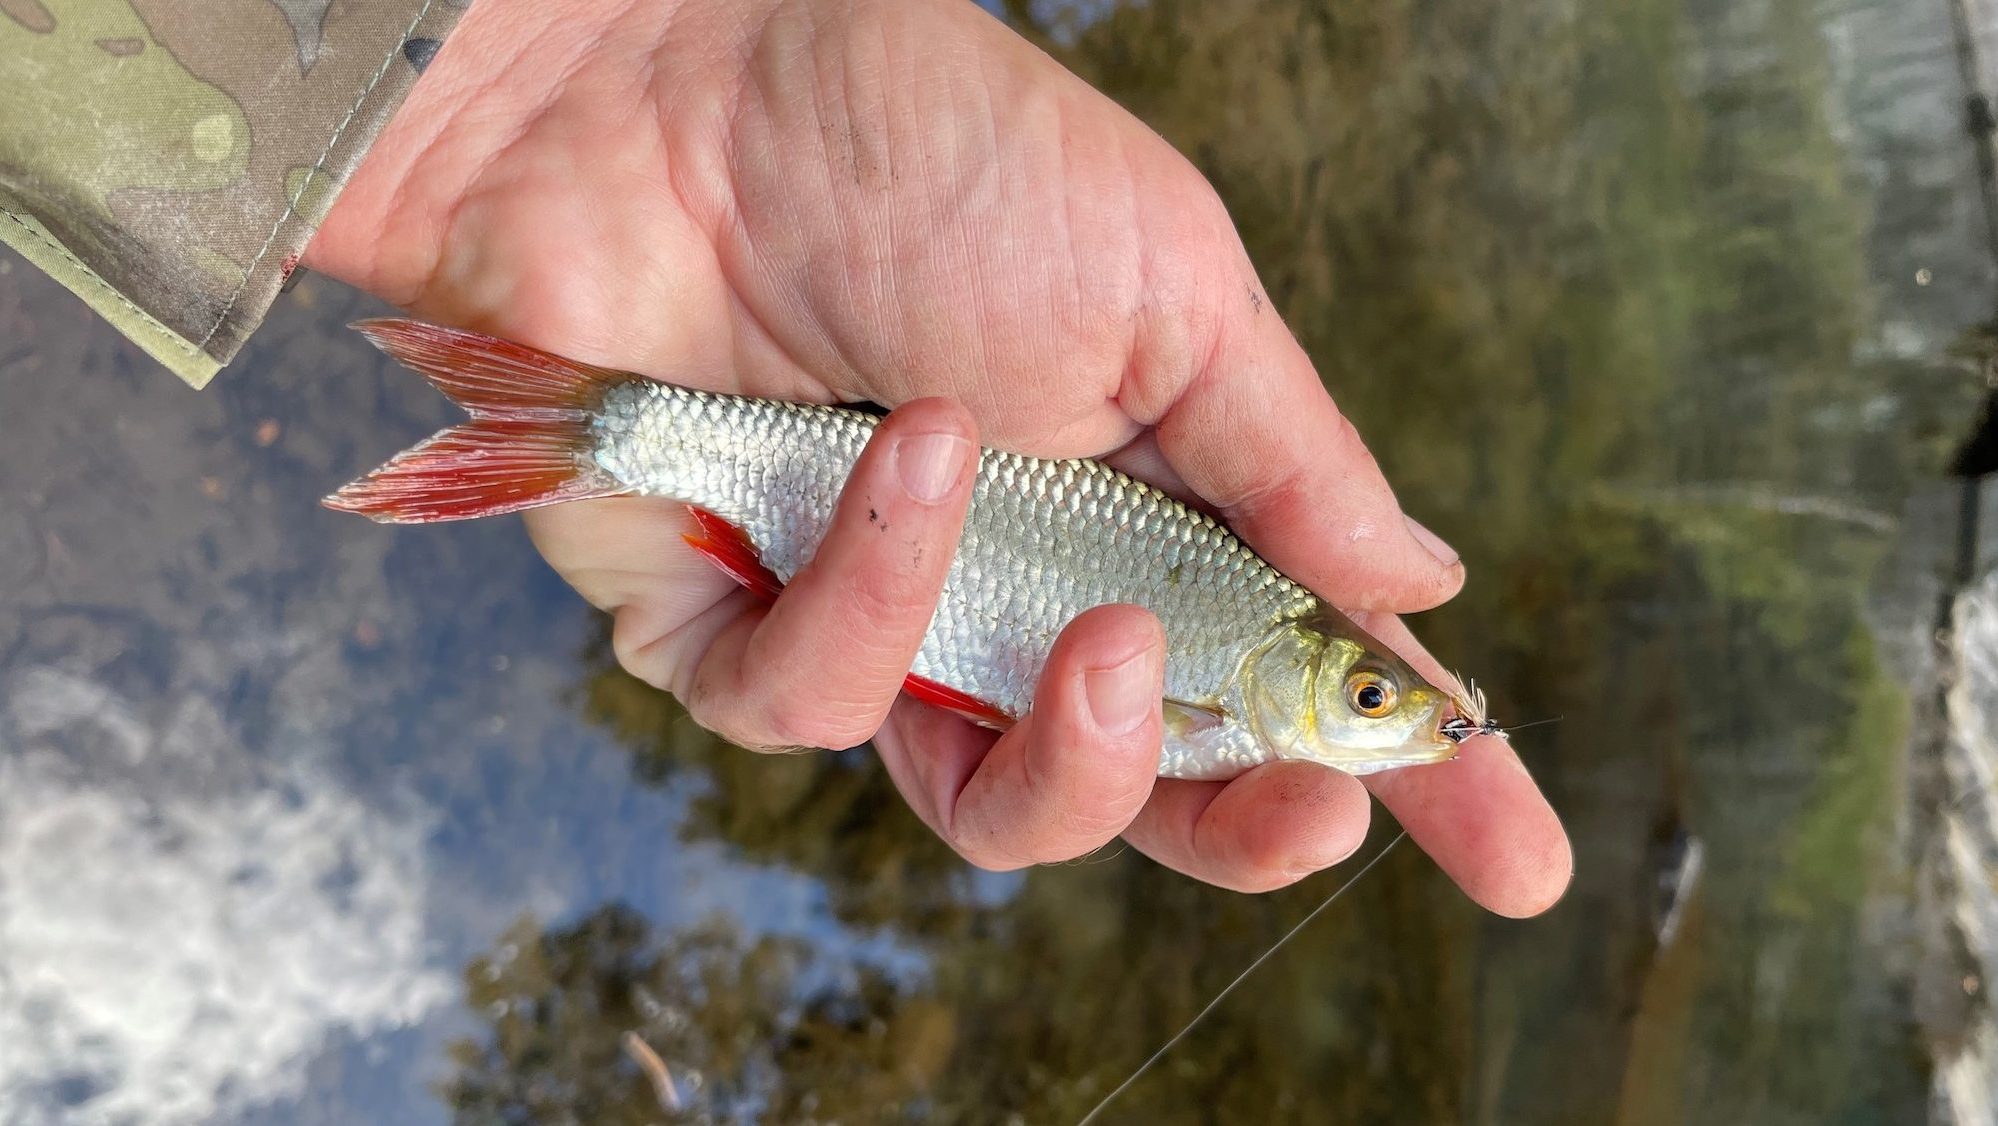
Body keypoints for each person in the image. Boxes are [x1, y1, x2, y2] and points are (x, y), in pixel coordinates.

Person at [2, 0, 1569, 912]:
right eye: (1371, 691)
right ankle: (586, 422)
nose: (1381, 711)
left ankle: (577, 420)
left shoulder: (1239, 713)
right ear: (1306, 669)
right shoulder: (1241, 688)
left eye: (1376, 699)